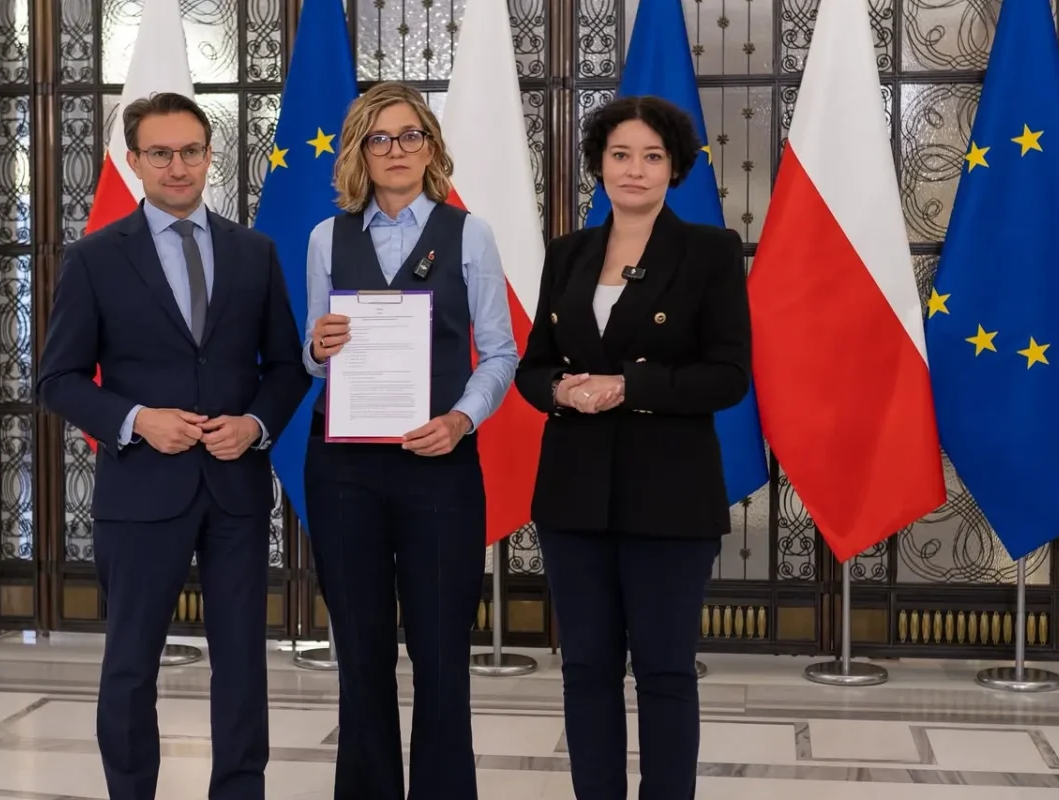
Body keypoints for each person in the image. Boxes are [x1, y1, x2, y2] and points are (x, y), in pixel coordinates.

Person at [34, 91, 309, 800]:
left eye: (190, 151)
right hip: (140, 490)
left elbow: (286, 367)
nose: (178, 166)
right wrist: (136, 419)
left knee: (242, 662)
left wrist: (255, 425)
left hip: (234, 489)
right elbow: (57, 379)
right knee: (130, 664)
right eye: (160, 153)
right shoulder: (95, 258)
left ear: (210, 156)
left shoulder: (253, 252)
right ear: (134, 161)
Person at [513, 94, 751, 800]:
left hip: (670, 497)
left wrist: (629, 385)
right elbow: (533, 365)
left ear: (674, 167)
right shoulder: (568, 254)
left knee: (665, 670)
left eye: (652, 156)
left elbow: (728, 376)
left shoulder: (709, 251)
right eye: (620, 155)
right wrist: (558, 390)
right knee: (585, 668)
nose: (635, 170)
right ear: (599, 164)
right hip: (573, 496)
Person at [300, 81, 518, 800]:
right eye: (379, 139)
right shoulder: (326, 238)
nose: (396, 150)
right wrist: (317, 347)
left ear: (431, 147)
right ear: (359, 152)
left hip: (440, 468)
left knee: (441, 654)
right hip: (344, 471)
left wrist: (461, 420)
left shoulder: (470, 234)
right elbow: (313, 354)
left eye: (410, 136)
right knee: (360, 655)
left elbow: (500, 352)